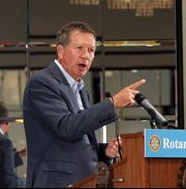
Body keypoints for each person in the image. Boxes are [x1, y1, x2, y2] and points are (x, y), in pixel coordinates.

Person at [23, 21, 146, 188]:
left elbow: (79, 139)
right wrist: (112, 103)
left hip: (84, 181)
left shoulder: (80, 88)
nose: (86, 56)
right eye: (79, 48)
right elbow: (66, 127)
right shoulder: (42, 83)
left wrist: (105, 151)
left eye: (91, 50)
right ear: (60, 51)